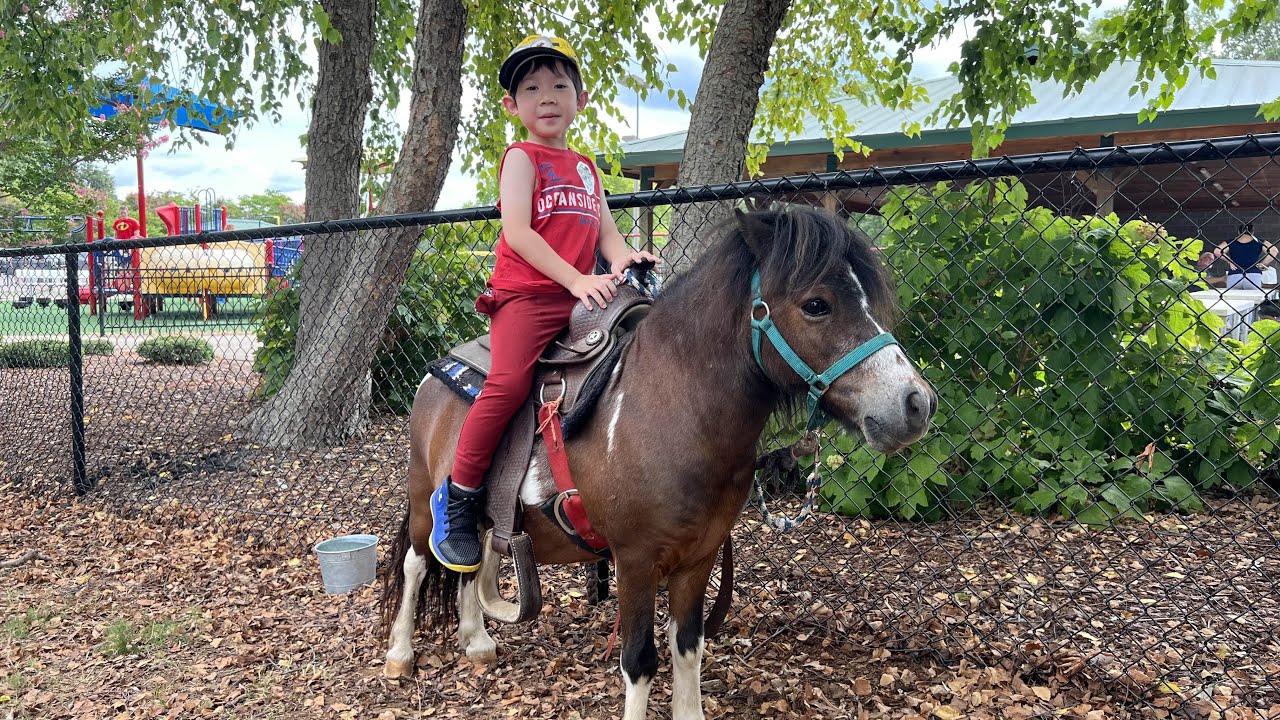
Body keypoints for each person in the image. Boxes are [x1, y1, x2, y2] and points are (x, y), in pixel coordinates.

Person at [428, 35, 660, 573]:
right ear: (514, 106)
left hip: (586, 297)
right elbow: (519, 233)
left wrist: (626, 260)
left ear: (581, 99)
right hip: (528, 298)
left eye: (560, 86)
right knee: (508, 384)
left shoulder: (585, 168)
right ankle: (458, 498)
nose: (547, 96)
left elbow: (608, 237)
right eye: (532, 88)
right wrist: (579, 280)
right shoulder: (521, 158)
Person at [1197, 225, 1277, 292]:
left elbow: (1217, 251)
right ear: (1252, 232)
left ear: (1238, 232)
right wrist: (1263, 263)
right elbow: (1274, 251)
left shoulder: (1231, 242)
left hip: (1235, 275)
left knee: (1233, 303)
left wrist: (1230, 261)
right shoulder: (1259, 241)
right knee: (1252, 303)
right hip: (1253, 275)